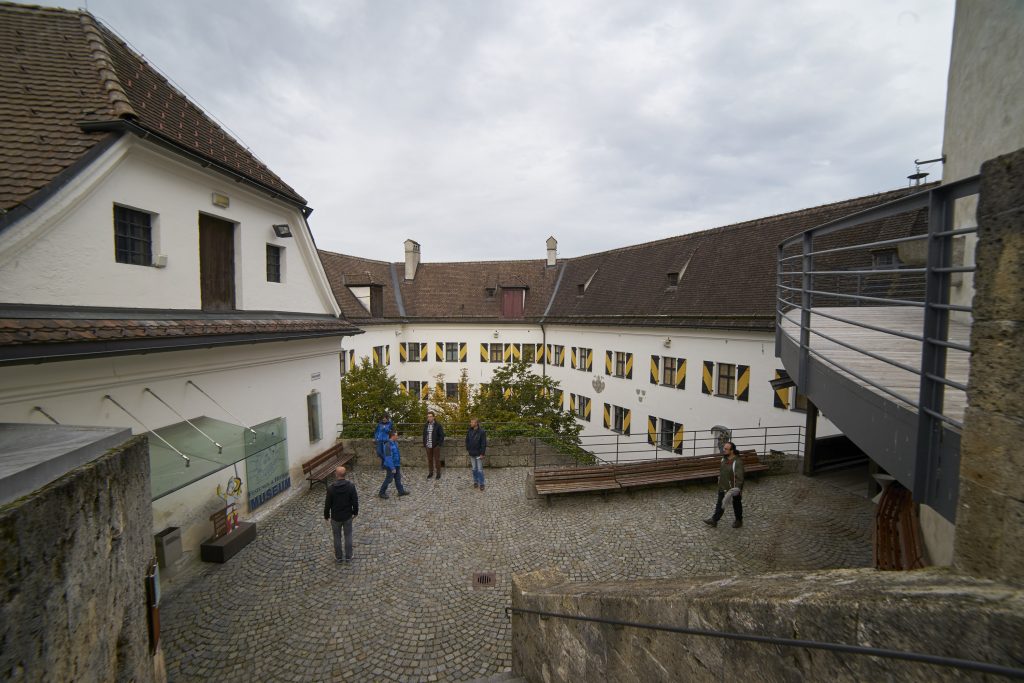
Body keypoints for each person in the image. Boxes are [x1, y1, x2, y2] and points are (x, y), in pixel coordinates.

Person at [704, 441, 744, 528]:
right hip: (723, 486)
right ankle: (714, 520)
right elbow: (722, 471)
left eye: (726, 449)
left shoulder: (737, 462)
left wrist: (737, 489)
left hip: (733, 489)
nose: (724, 450)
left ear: (732, 451)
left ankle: (739, 520)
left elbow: (740, 478)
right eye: (724, 448)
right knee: (720, 503)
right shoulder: (723, 459)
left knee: (737, 504)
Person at [323, 466, 358, 563]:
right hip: (347, 516)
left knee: (337, 537)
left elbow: (327, 504)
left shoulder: (331, 489)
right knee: (348, 536)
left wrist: (326, 516)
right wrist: (355, 512)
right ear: (344, 474)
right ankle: (348, 556)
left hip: (335, 517)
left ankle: (338, 557)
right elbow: (355, 501)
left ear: (336, 474)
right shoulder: (351, 486)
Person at [379, 430, 410, 499]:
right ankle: (381, 492)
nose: (397, 436)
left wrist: (397, 464)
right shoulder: (387, 445)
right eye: (396, 435)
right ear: (392, 436)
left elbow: (396, 454)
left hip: (396, 464)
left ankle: (401, 491)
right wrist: (392, 467)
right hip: (391, 465)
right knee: (389, 479)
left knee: (398, 478)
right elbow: (388, 457)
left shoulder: (395, 443)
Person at [465, 417, 487, 491]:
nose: (471, 423)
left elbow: (484, 443)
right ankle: (475, 481)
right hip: (472, 453)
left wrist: (482, 453)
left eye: (472, 422)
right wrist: (468, 448)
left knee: (480, 469)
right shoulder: (469, 431)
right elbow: (467, 440)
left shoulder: (482, 432)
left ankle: (481, 483)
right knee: (474, 469)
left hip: (479, 453)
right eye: (471, 422)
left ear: (476, 423)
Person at [422, 411, 446, 479]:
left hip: (435, 446)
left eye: (430, 416)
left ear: (433, 417)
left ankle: (438, 473)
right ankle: (430, 472)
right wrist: (425, 443)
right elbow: (424, 435)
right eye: (428, 417)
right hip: (428, 446)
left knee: (437, 460)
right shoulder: (426, 425)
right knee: (430, 460)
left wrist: (439, 444)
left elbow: (442, 436)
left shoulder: (438, 425)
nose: (429, 418)